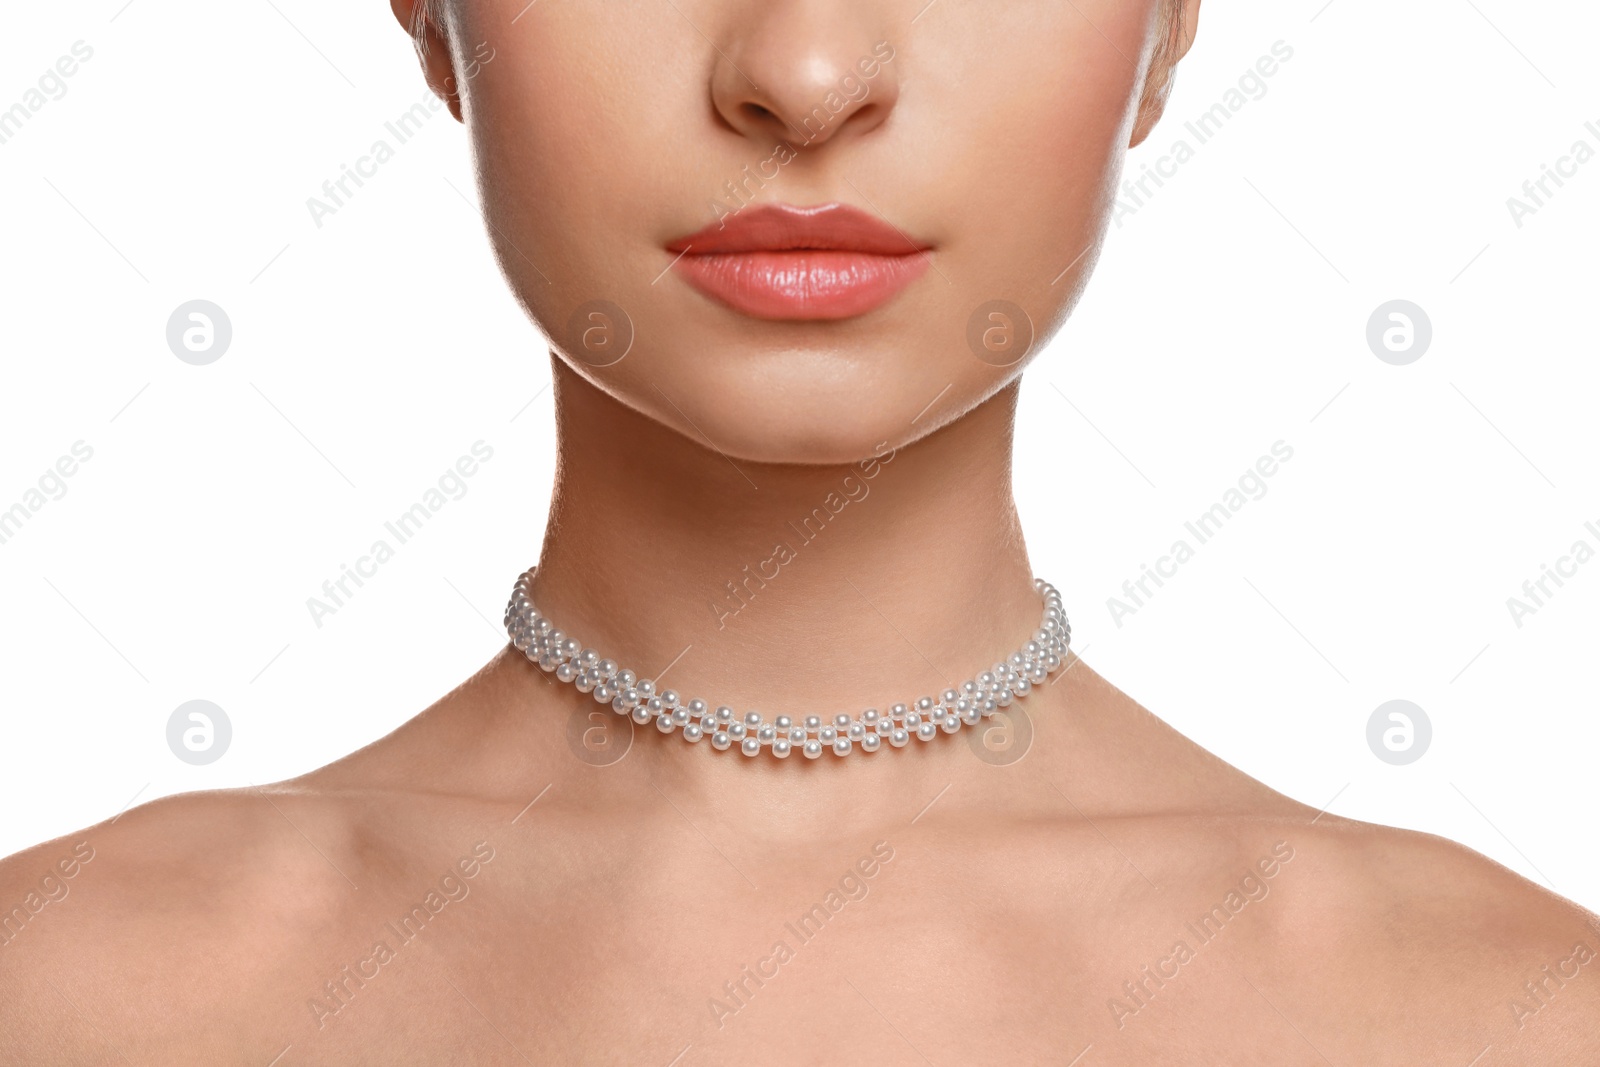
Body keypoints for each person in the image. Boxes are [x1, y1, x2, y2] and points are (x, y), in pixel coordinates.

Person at [3, 0, 1596, 1062]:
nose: (808, 75)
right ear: (431, 14)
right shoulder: (67, 998)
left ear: (1170, 23)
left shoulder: (1504, 1021)